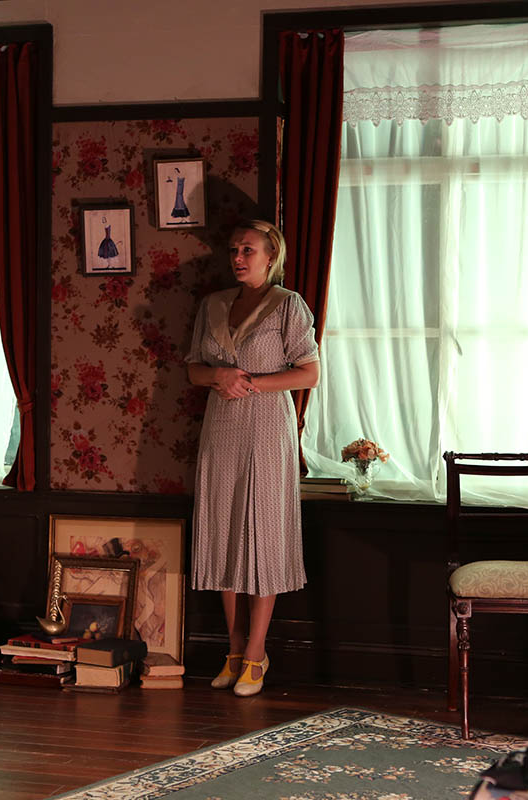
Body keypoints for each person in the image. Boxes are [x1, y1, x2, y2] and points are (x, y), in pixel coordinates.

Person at [184, 220, 319, 697]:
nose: (238, 257)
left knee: (262, 535)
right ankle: (234, 649)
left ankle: (257, 653)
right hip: (221, 425)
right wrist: (218, 376)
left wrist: (252, 383)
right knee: (223, 533)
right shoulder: (213, 304)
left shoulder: (288, 305)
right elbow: (193, 369)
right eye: (233, 250)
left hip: (266, 426)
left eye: (248, 250)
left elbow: (309, 374)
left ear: (270, 256)